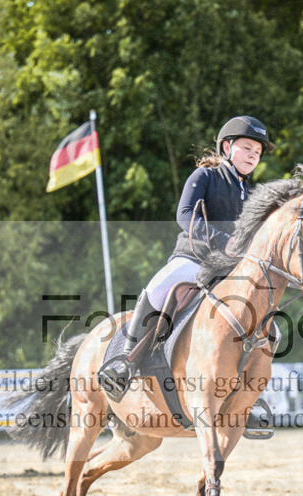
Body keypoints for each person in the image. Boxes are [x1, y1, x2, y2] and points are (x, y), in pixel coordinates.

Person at [99, 115, 275, 395]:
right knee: (157, 288)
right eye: (247, 148)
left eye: (257, 152)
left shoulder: (255, 194)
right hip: (194, 258)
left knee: (266, 320)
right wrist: (221, 240)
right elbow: (184, 215)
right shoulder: (206, 176)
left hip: (229, 270)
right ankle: (125, 362)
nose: (253, 156)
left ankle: (247, 396)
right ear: (227, 147)